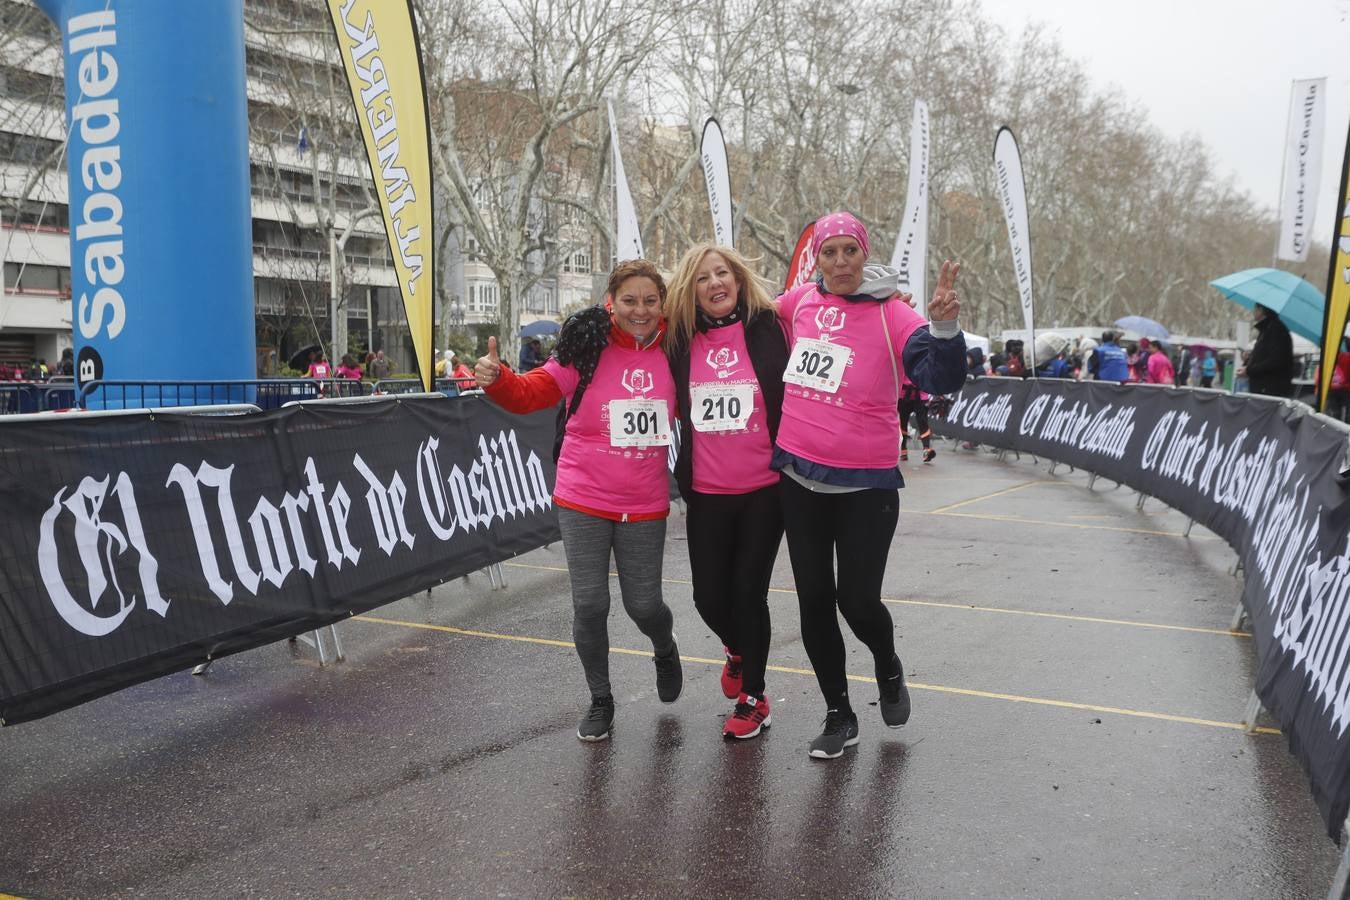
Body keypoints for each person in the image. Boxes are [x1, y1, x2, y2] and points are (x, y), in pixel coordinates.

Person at [772, 211, 967, 759]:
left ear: (864, 254)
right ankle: (839, 713)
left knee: (856, 601)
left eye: (848, 252)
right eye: (828, 252)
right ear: (817, 258)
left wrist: (945, 328)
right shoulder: (800, 303)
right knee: (812, 601)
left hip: (866, 486)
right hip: (797, 476)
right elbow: (745, 321)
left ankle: (887, 663)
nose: (838, 263)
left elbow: (937, 378)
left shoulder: (893, 312)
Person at [475, 259, 683, 742]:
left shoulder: (677, 348)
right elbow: (532, 393)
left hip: (644, 500)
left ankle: (665, 647)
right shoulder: (586, 348)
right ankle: (600, 698)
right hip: (583, 495)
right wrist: (499, 377)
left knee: (644, 605)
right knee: (590, 604)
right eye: (629, 300)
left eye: (650, 301)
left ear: (663, 305)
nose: (640, 310)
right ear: (611, 301)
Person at [665, 244, 790, 740]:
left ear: (738, 279)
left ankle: (754, 696)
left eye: (723, 274)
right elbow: (626, 313)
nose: (715, 284)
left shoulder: (770, 325)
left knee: (747, 592)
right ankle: (738, 650)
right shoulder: (677, 340)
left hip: (766, 488)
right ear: (689, 291)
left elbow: (830, 307)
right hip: (707, 491)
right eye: (702, 278)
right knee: (707, 597)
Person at [1239, 303, 1294, 397]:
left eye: (1255, 309)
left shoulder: (1276, 330)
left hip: (1269, 391)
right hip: (1263, 389)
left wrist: (1249, 370)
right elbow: (1264, 356)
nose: (1253, 312)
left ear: (1261, 310)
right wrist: (1249, 359)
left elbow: (1276, 361)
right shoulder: (1267, 329)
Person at [897, 375, 935, 462]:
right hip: (904, 394)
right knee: (903, 422)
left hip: (921, 395)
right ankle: (903, 450)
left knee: (923, 422)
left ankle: (926, 450)